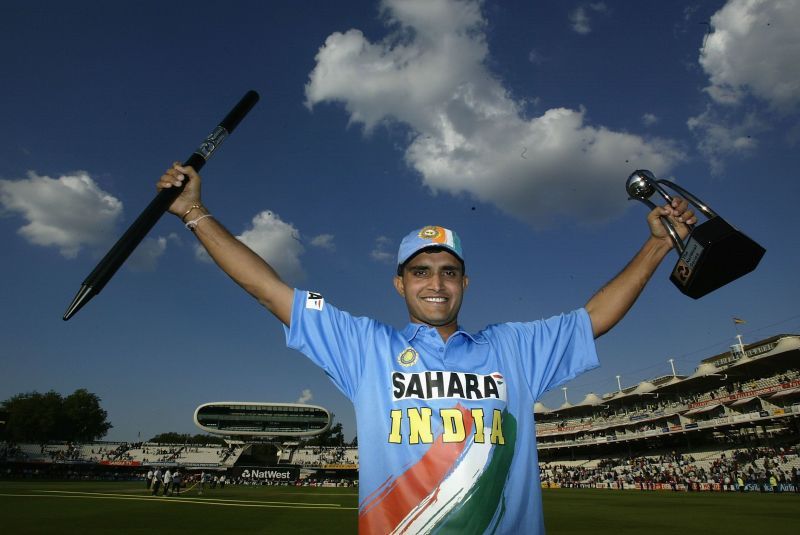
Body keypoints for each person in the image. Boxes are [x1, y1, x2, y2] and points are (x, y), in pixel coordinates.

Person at [157, 163, 696, 534]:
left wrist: (654, 244)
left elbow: (595, 316)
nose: (435, 283)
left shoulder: (512, 347)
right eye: (420, 271)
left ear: (465, 283)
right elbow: (269, 289)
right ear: (400, 283)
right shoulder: (364, 345)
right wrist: (195, 213)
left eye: (448, 272)